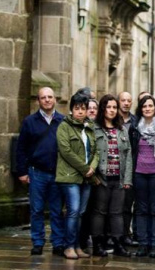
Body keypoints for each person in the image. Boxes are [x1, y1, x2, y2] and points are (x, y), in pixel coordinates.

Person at [16, 87, 65, 256]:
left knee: (57, 210)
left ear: (55, 100)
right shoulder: (30, 121)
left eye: (50, 97)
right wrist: (22, 172)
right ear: (38, 101)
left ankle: (58, 242)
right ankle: (37, 242)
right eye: (43, 97)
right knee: (36, 210)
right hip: (37, 173)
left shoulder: (63, 121)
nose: (47, 100)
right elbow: (21, 148)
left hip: (57, 173)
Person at [56, 93, 98, 259]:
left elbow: (96, 151)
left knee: (81, 212)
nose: (80, 111)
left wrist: (92, 168)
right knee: (73, 211)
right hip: (70, 176)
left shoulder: (90, 127)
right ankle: (69, 246)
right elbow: (66, 151)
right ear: (71, 110)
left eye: (83, 108)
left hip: (86, 177)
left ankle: (78, 246)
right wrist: (84, 168)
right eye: (77, 108)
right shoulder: (64, 126)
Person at [90, 94, 133, 258]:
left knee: (117, 213)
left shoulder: (122, 129)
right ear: (103, 109)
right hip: (101, 179)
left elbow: (128, 154)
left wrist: (127, 179)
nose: (112, 110)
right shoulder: (94, 129)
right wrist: (94, 177)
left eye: (114, 107)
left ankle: (118, 244)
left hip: (119, 179)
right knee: (99, 212)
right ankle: (97, 244)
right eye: (109, 107)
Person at [129, 95, 155, 258]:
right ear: (141, 109)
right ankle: (143, 244)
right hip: (139, 173)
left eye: (150, 106)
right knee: (141, 209)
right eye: (144, 106)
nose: (147, 108)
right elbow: (132, 150)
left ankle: (154, 245)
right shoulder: (134, 127)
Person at [118, 91, 137, 246]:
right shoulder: (110, 119)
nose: (126, 103)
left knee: (127, 205)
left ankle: (125, 234)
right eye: (123, 100)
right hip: (113, 167)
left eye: (128, 100)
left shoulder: (136, 122)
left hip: (130, 168)